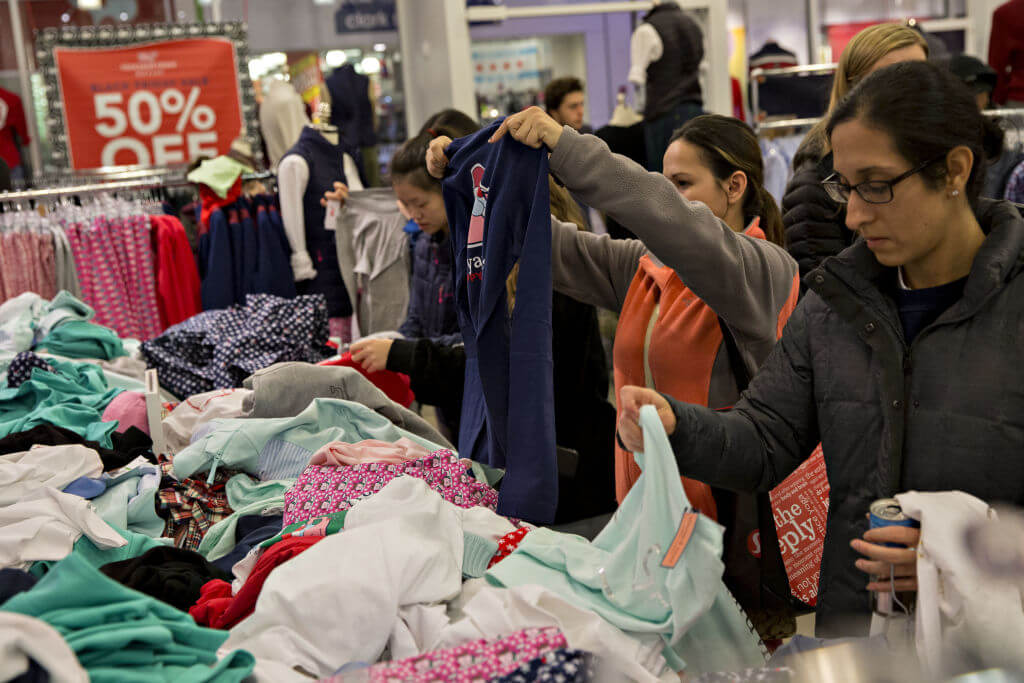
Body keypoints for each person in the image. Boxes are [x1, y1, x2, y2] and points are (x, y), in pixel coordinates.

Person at [616, 61, 1022, 639]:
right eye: (844, 187)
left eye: (876, 185)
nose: (854, 215)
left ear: (954, 169)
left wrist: (953, 557)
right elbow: (764, 438)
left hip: (994, 648)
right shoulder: (836, 303)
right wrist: (677, 426)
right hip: (861, 635)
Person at [427, 110, 800, 638]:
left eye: (682, 184)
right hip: (647, 529)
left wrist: (570, 149)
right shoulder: (646, 268)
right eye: (665, 181)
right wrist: (472, 174)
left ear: (735, 186)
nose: (669, 196)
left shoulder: (761, 272)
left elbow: (668, 219)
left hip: (728, 542)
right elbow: (536, 240)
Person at [782, 23, 928, 280]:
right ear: (855, 90)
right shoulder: (815, 184)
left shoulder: (928, 160)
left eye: (922, 80)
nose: (912, 96)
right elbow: (826, 298)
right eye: (893, 82)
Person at [627, 0, 704, 173]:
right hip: (695, 110)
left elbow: (636, 77)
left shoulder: (647, 30)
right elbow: (702, 68)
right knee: (696, 173)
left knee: (666, 179)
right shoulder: (693, 25)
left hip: (663, 112)